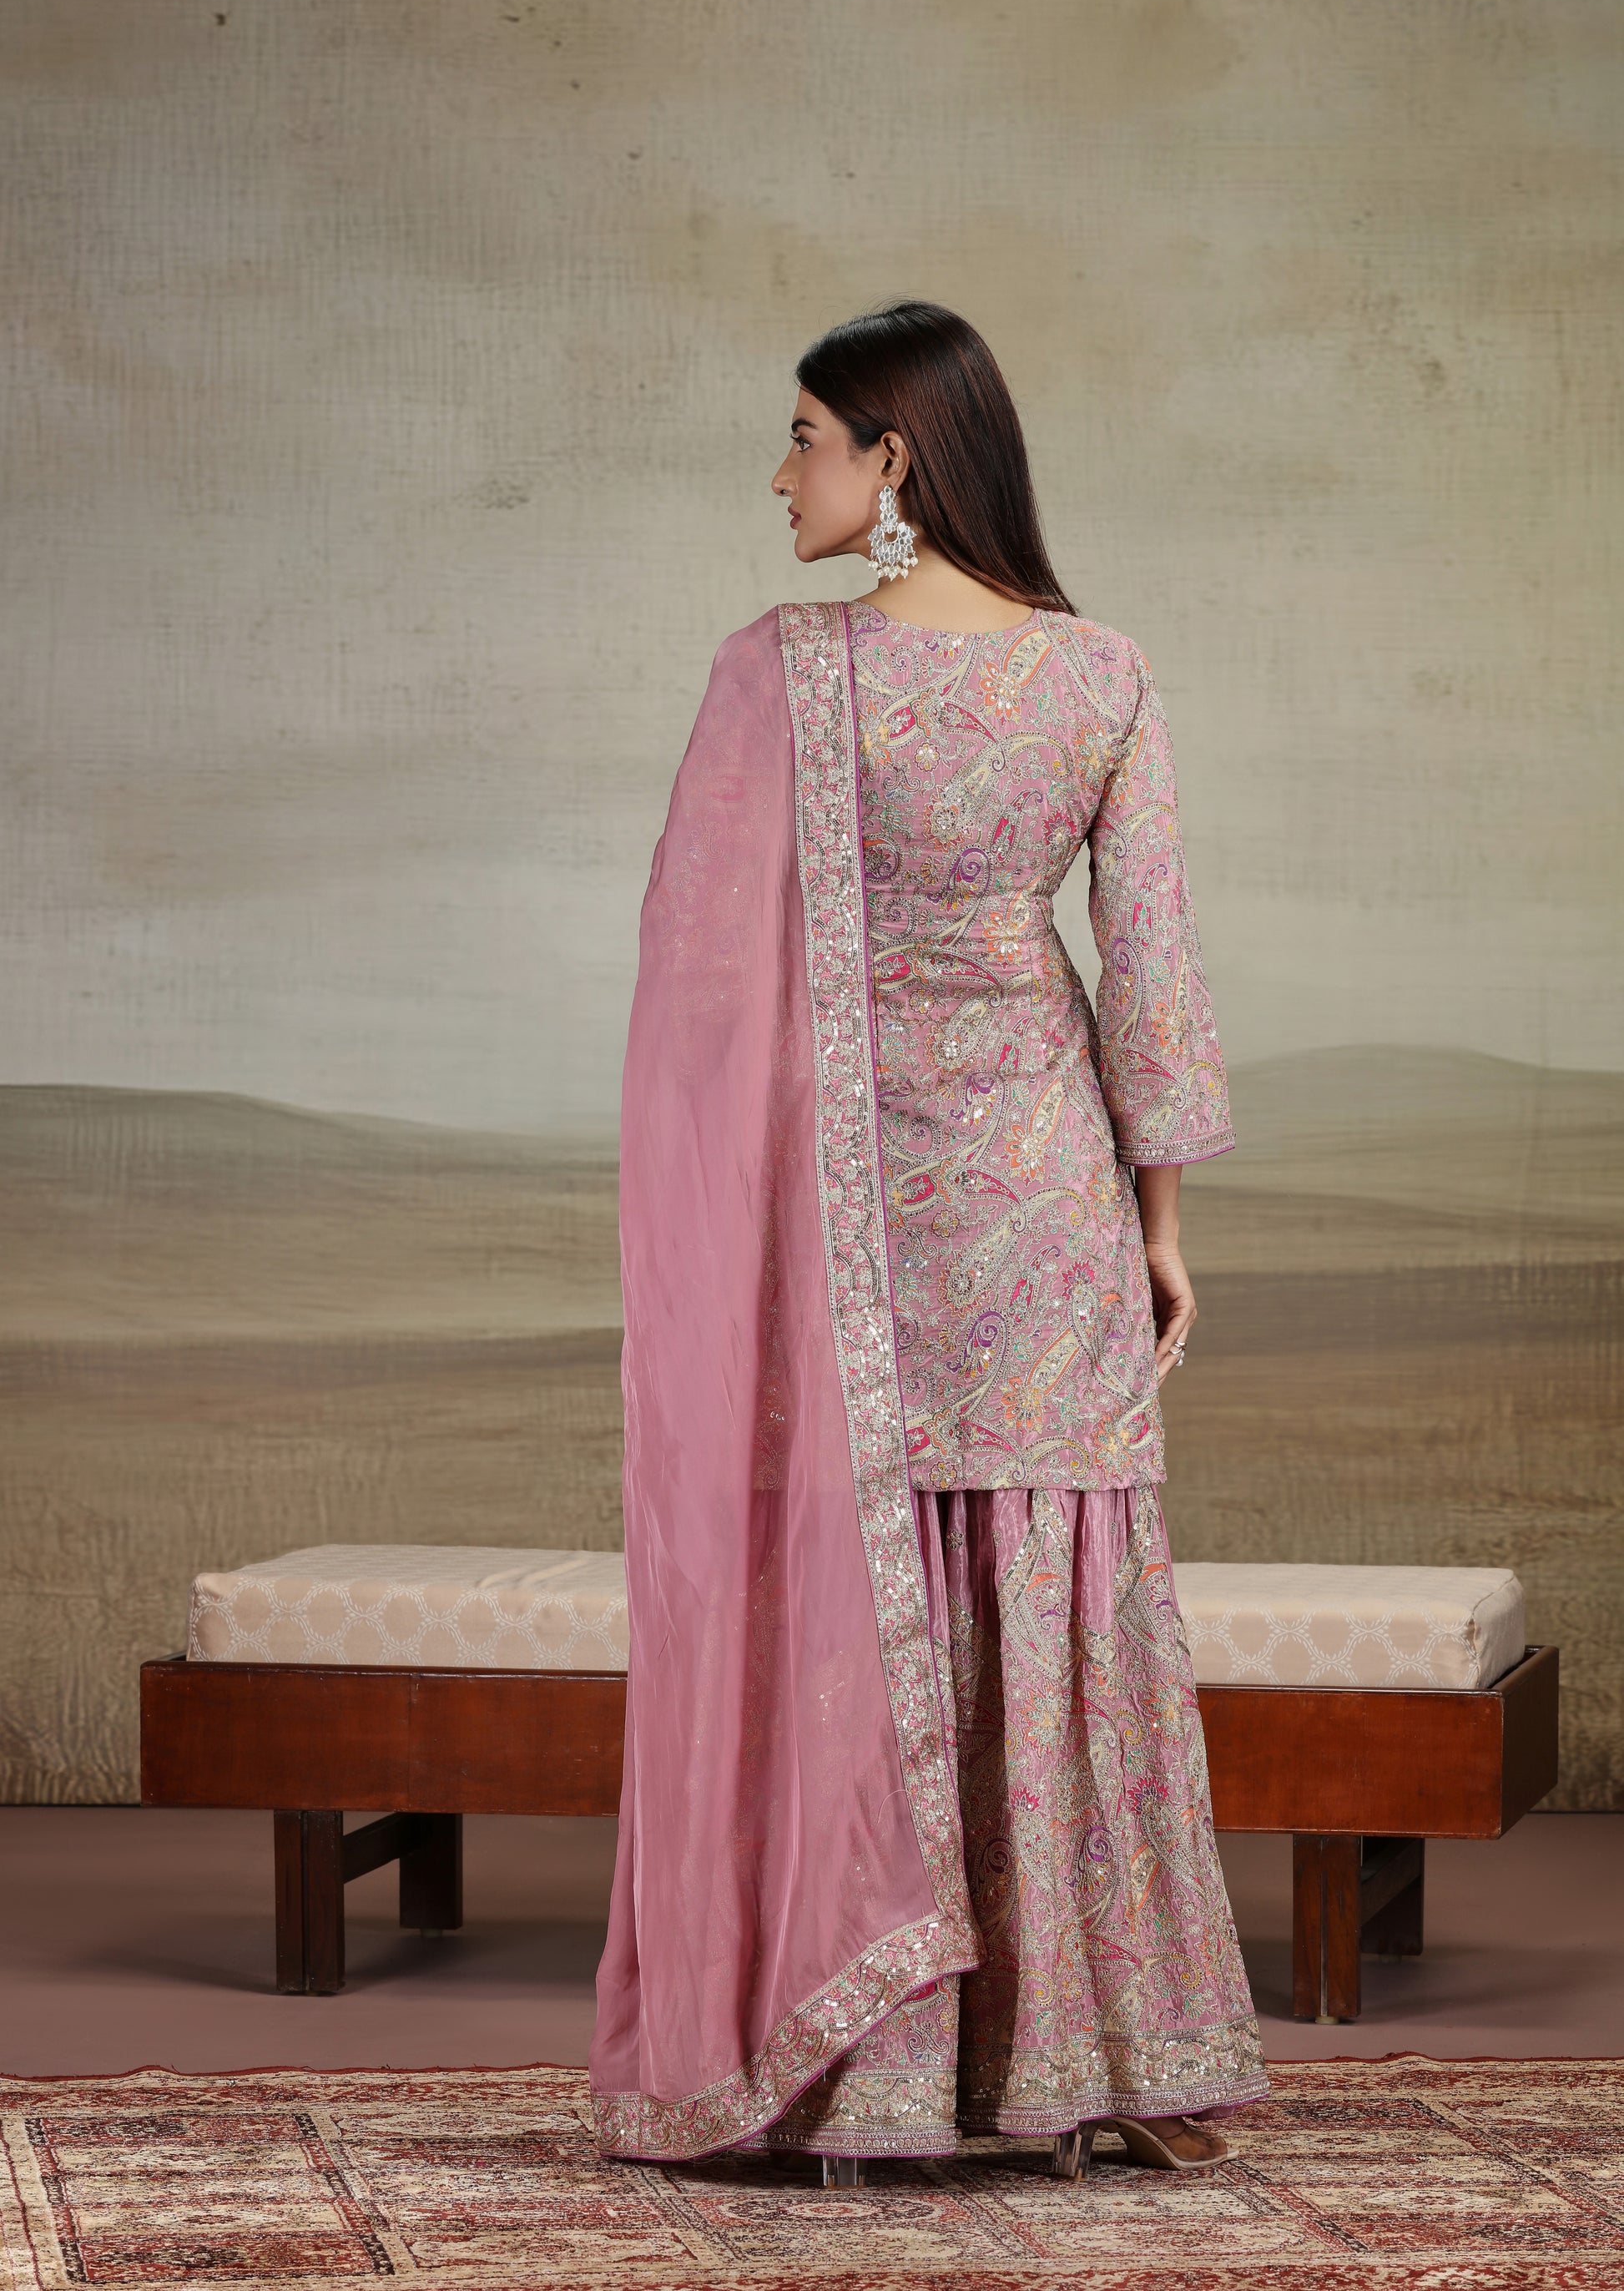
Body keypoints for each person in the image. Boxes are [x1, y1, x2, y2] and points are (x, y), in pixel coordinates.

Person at [589, 300, 1267, 2182]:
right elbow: (1154, 976)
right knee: (1049, 1573)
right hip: (1048, 1194)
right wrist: (1159, 1226)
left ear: (894, 458)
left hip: (841, 1213)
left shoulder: (782, 674)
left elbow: (696, 992)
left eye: (807, 435)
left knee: (853, 1568)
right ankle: (1078, 2051)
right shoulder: (1101, 675)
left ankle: (858, 2064)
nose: (781, 472)